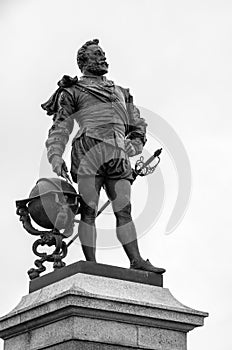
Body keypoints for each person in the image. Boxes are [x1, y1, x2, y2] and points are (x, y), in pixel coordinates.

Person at [42, 39, 165, 274]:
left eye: (103, 54)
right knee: (88, 209)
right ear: (84, 62)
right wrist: (55, 155)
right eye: (97, 54)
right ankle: (91, 264)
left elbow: (136, 123)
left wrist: (136, 142)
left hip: (118, 154)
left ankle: (136, 260)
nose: (102, 57)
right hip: (88, 151)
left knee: (124, 209)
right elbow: (60, 126)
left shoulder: (121, 92)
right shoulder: (73, 91)